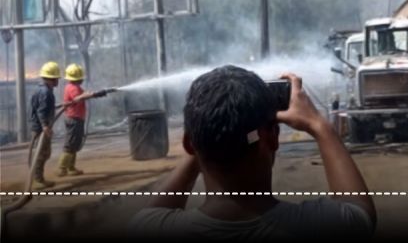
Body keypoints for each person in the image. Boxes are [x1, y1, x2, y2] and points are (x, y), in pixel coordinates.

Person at [129, 65, 376, 239]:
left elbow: (153, 212)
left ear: (189, 145)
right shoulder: (324, 225)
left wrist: (206, 131)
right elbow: (360, 210)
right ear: (272, 138)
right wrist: (319, 126)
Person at [57, 63, 94, 177]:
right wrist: (87, 95)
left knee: (74, 143)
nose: (82, 79)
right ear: (78, 78)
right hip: (74, 119)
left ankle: (71, 167)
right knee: (70, 143)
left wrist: (89, 94)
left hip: (75, 118)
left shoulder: (71, 86)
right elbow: (77, 99)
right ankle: (62, 168)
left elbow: (80, 96)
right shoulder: (74, 88)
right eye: (81, 78)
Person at [29, 61, 60, 189]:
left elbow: (41, 107)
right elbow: (41, 111)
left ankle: (38, 178)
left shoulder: (41, 89)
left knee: (44, 153)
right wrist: (45, 126)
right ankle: (37, 180)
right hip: (41, 128)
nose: (58, 80)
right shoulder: (46, 93)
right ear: (51, 78)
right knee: (42, 153)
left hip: (39, 126)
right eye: (56, 78)